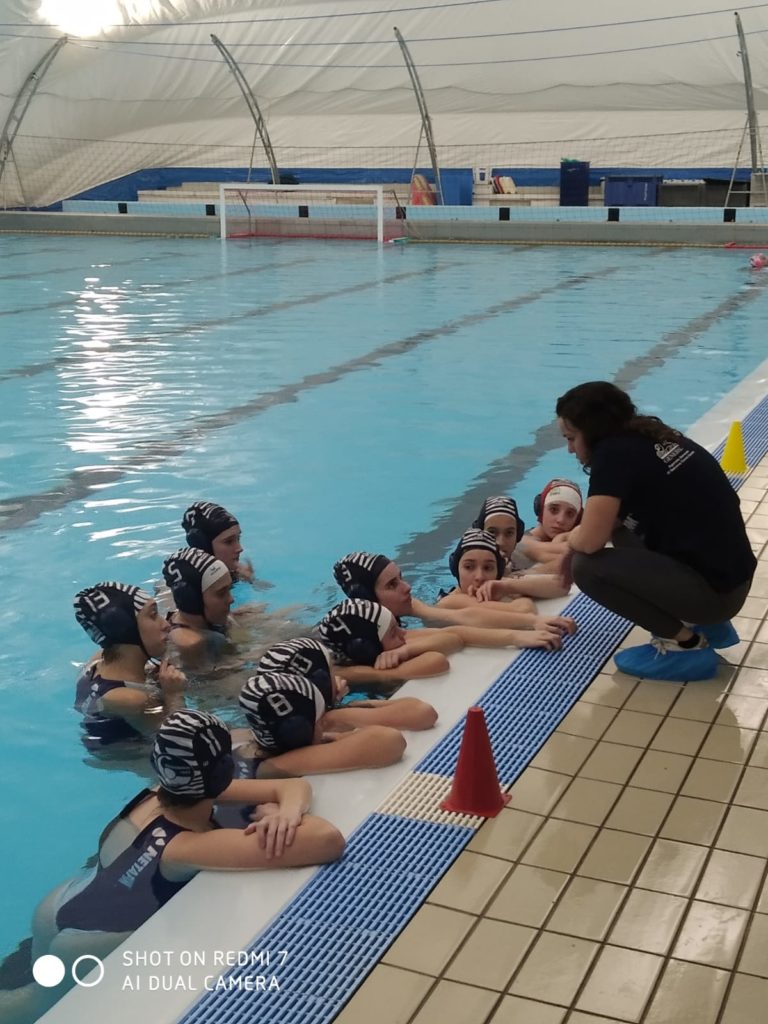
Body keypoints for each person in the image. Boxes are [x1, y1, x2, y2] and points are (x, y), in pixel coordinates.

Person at [2, 710, 344, 1023]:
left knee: (32, 994)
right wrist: (283, 815)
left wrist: (287, 811)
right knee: (34, 1007)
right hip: (85, 943)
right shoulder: (186, 847)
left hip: (59, 904)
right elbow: (328, 840)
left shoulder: (157, 794)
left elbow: (292, 786)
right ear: (222, 772)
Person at [553, 380, 756, 681]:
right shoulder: (649, 436)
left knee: (587, 567)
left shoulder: (612, 456)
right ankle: (711, 627)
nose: (569, 449)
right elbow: (608, 523)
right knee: (621, 529)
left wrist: (571, 542)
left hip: (717, 595)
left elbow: (591, 540)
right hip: (733, 578)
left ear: (592, 432)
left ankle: (684, 645)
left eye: (571, 438)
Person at [318, 596, 565, 688]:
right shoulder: (339, 673)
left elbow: (454, 636)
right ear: (367, 648)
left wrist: (519, 634)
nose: (406, 588)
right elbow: (436, 662)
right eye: (392, 584)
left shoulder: (377, 631)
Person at [333, 550, 574, 638]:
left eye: (401, 578)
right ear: (367, 599)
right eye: (392, 585)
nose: (407, 588)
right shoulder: (349, 640)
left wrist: (533, 622)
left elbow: (465, 617)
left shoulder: (408, 605)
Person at [73, 582, 186, 746]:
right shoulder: (131, 699)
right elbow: (179, 741)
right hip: (129, 756)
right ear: (127, 630)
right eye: (153, 615)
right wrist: (174, 695)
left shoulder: (97, 660)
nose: (166, 624)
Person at [237, 670, 409, 776]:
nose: (324, 725)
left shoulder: (242, 740)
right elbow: (390, 741)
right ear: (300, 730)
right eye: (321, 721)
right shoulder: (274, 767)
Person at [257, 636, 437, 730]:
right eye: (330, 672)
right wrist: (349, 705)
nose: (337, 676)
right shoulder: (332, 720)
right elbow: (423, 713)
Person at [438, 529, 572, 609]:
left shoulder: (500, 587)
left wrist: (509, 586)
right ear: (456, 569)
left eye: (488, 567)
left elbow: (563, 586)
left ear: (498, 571)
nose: (479, 576)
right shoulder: (447, 602)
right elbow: (524, 610)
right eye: (469, 567)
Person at [470, 497, 570, 596]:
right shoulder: (471, 570)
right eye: (492, 532)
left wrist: (516, 578)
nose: (501, 542)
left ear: (517, 536)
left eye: (509, 533)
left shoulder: (518, 555)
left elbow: (563, 585)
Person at [162, 547, 235, 669]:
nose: (231, 599)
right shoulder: (190, 644)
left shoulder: (206, 619)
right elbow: (218, 684)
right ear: (193, 600)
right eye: (221, 593)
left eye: (229, 589)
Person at [182, 501, 254, 583]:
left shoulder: (235, 575)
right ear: (204, 547)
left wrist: (251, 581)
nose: (240, 548)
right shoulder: (177, 592)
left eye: (238, 538)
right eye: (229, 541)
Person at [517, 479, 584, 569]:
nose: (561, 520)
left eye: (570, 514)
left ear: (577, 519)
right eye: (553, 510)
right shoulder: (520, 542)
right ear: (540, 510)